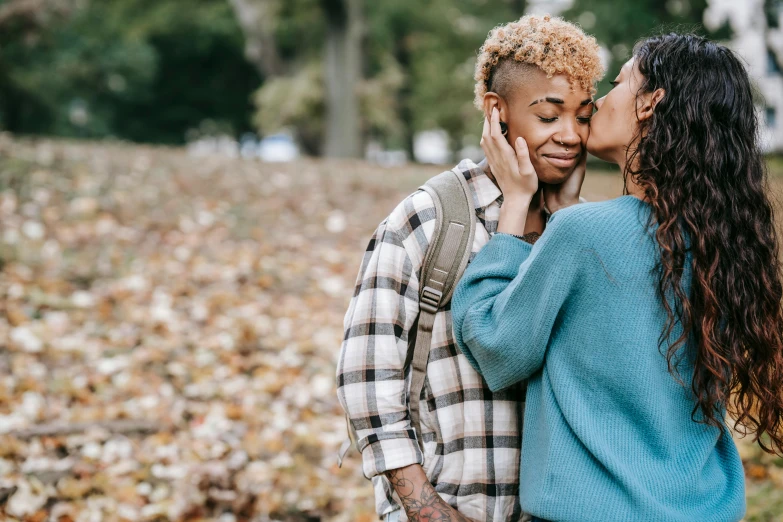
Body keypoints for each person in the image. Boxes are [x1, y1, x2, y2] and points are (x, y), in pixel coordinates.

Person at [453, 33, 783, 522]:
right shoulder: (726, 245)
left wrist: (517, 204)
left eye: (619, 82)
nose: (599, 102)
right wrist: (564, 214)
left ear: (652, 103)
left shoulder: (586, 235)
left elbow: (496, 347)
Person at [336, 15, 603, 522]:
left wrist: (568, 219)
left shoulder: (582, 226)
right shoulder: (433, 217)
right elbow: (366, 374)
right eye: (548, 117)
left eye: (582, 115)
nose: (570, 135)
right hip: (449, 507)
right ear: (497, 112)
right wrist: (425, 508)